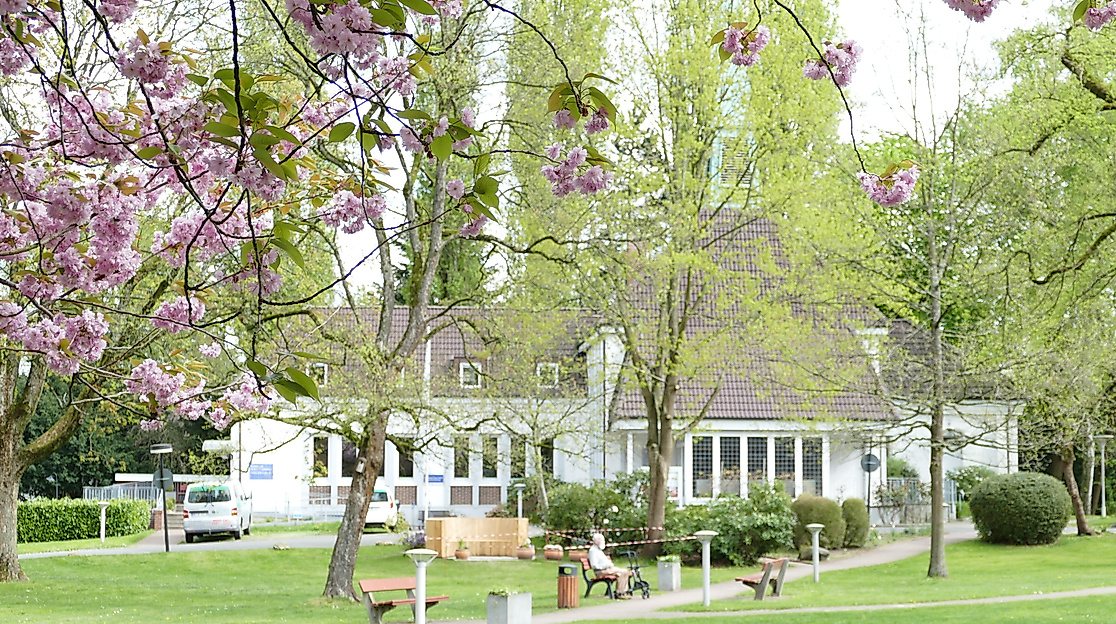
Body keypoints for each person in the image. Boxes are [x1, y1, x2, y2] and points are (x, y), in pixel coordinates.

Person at [587, 532, 632, 599]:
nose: (603, 542)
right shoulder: (593, 551)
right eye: (601, 540)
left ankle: (622, 593)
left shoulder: (599, 550)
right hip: (601, 571)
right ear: (596, 541)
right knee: (622, 572)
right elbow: (594, 565)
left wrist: (609, 564)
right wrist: (606, 566)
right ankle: (619, 593)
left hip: (607, 570)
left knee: (625, 572)